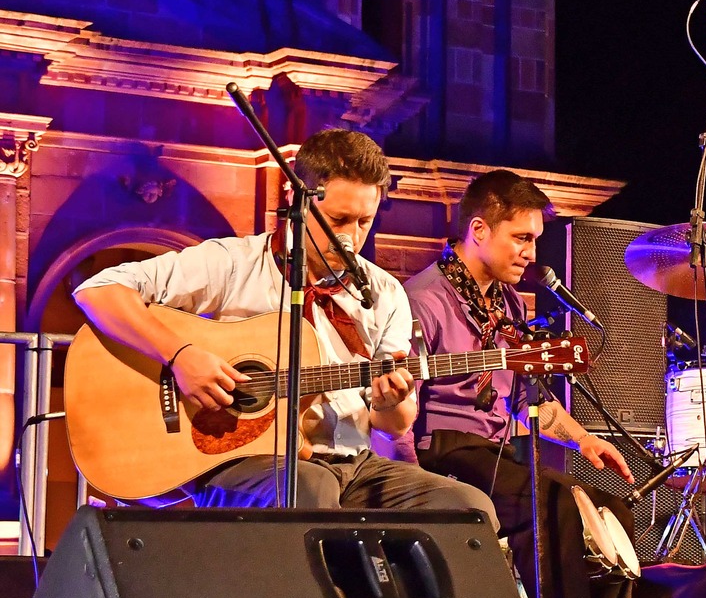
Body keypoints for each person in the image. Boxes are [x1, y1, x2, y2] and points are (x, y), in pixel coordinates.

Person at [71, 129, 496, 524]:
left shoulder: (384, 293)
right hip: (242, 460)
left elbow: (395, 424)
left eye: (364, 222)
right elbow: (98, 290)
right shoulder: (233, 264)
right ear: (297, 200)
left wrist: (391, 400)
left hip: (354, 465)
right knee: (310, 489)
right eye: (338, 220)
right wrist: (180, 356)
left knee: (469, 511)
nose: (351, 238)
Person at [397, 171, 649, 598]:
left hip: (497, 453)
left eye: (535, 239)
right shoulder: (423, 299)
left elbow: (526, 396)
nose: (532, 253)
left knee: (611, 507)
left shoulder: (509, 305)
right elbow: (401, 405)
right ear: (479, 230)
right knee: (554, 503)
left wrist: (584, 440)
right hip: (443, 452)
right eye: (522, 238)